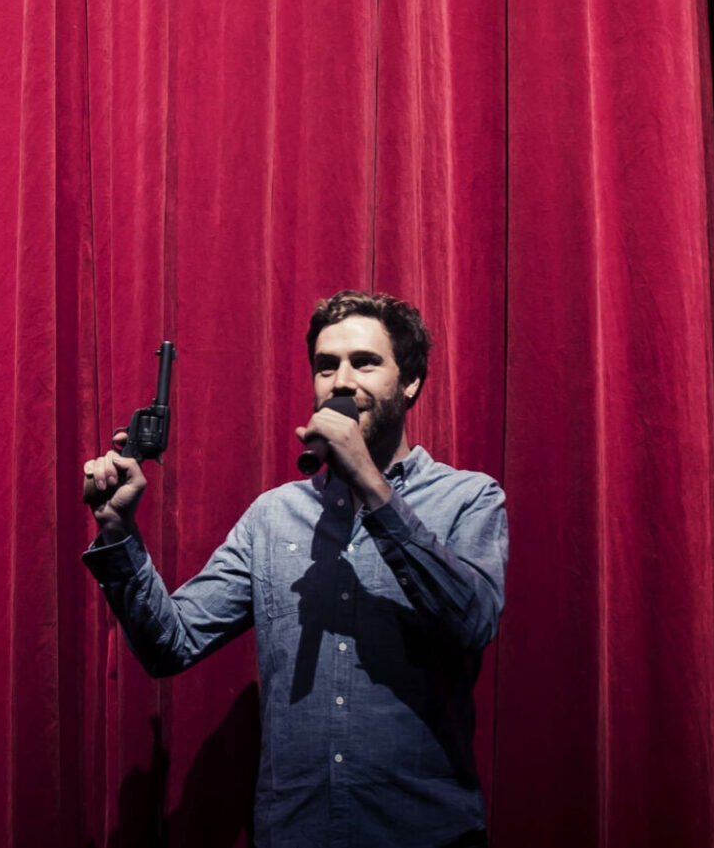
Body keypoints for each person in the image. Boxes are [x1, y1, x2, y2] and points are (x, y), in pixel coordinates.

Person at [81, 291, 508, 848]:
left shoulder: (469, 499)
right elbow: (171, 644)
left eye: (365, 362)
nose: (341, 381)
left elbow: (472, 622)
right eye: (326, 366)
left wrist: (370, 487)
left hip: (425, 832)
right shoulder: (274, 516)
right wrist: (117, 532)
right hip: (296, 833)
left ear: (411, 383)